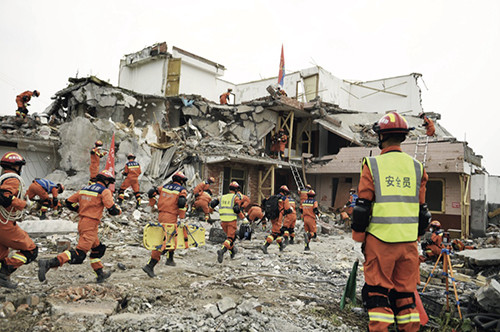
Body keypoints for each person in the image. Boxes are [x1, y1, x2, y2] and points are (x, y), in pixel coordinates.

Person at [351, 111, 430, 331]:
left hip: (380, 241)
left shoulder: (373, 164)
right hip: (408, 244)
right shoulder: (417, 167)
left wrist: (358, 239)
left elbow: (362, 207)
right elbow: (422, 211)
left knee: (377, 294)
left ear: (381, 137)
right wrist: (418, 240)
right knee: (405, 295)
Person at [38, 170, 121, 284]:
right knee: (79, 254)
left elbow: (68, 202)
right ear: (106, 181)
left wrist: (80, 209)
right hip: (91, 225)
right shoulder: (104, 191)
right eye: (109, 182)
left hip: (82, 222)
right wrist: (119, 210)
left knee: (97, 249)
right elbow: (112, 210)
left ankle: (100, 274)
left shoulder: (85, 189)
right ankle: (49, 263)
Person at [0, 152, 38, 289]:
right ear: (16, 166)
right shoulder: (13, 179)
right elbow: (4, 197)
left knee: (1, 256)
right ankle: (4, 274)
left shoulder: (2, 178)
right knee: (31, 250)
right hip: (4, 225)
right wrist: (24, 205)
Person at [143, 171, 188, 276]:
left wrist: (152, 203)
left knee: (172, 237)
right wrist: (182, 217)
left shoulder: (165, 187)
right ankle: (150, 265)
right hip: (171, 216)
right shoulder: (182, 190)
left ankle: (170, 259)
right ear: (181, 181)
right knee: (163, 240)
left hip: (161, 214)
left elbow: (151, 192)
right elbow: (181, 203)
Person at [217, 181, 246, 263]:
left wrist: (208, 214)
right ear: (236, 190)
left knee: (230, 239)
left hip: (223, 221)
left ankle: (232, 251)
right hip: (231, 221)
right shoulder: (235, 197)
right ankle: (222, 250)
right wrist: (243, 218)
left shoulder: (222, 197)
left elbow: (212, 204)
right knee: (231, 238)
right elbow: (237, 209)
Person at [261, 185, 292, 254]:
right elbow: (287, 209)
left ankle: (281, 246)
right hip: (279, 217)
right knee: (275, 233)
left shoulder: (273, 197)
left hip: (272, 216)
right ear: (285, 192)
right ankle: (265, 245)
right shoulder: (284, 199)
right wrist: (290, 210)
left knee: (277, 232)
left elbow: (264, 202)